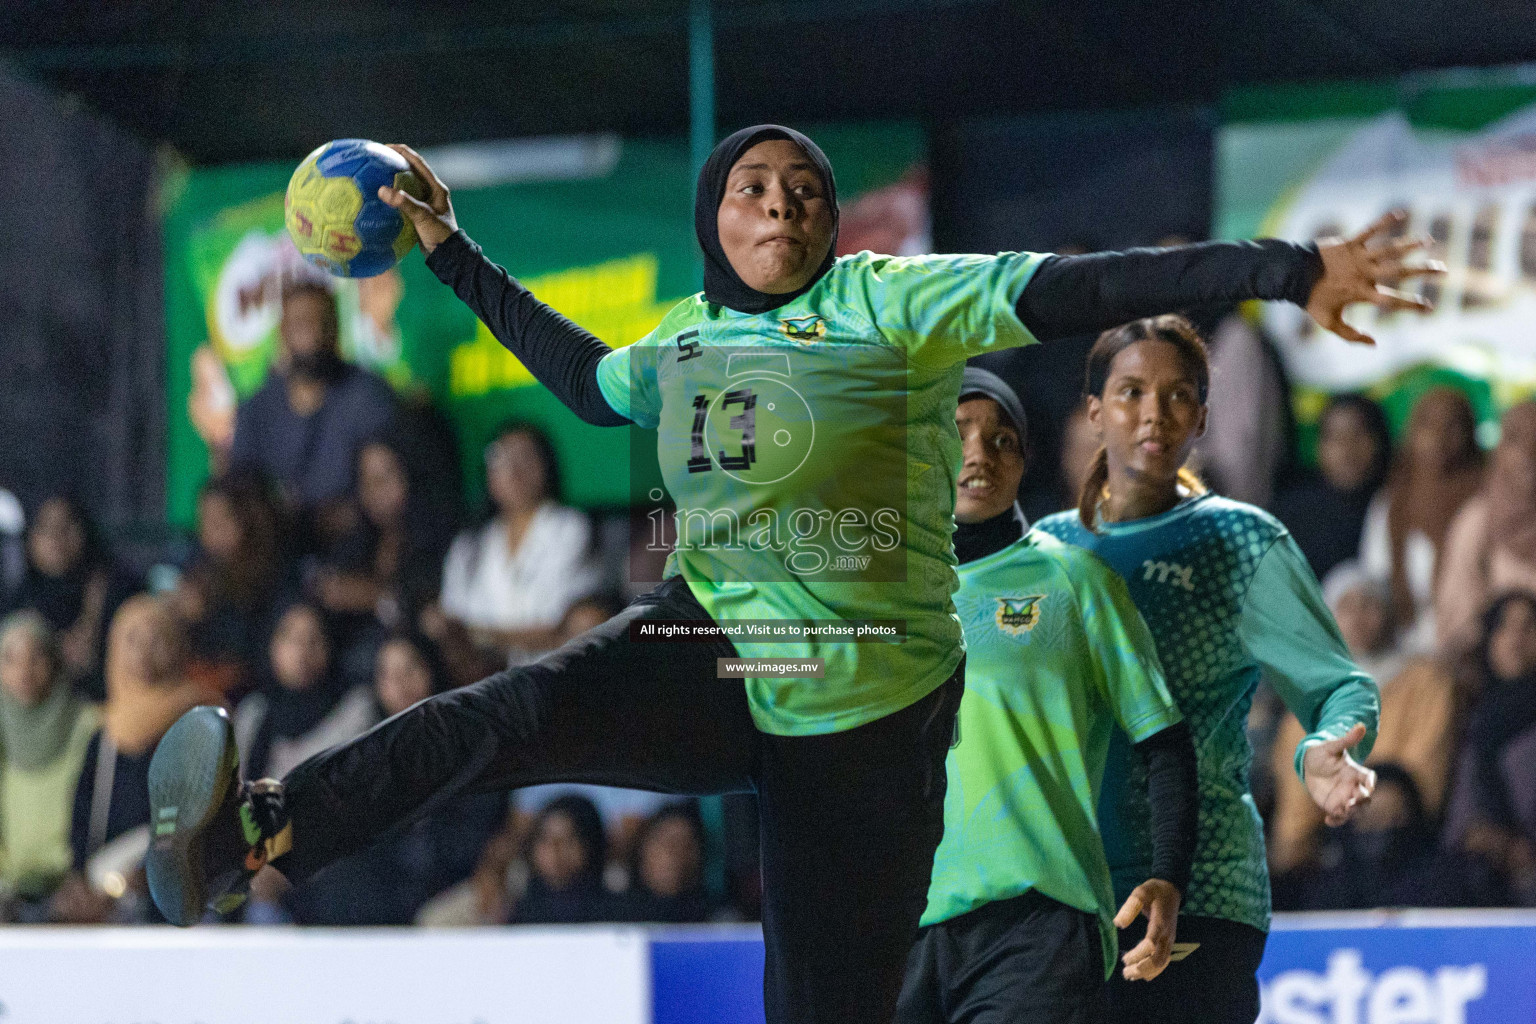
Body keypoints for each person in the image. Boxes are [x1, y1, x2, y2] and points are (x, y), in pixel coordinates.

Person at [147, 126, 1436, 1024]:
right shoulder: (685, 340)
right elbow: (579, 377)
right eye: (754, 190)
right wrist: (447, 250)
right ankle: (261, 830)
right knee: (497, 717)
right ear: (714, 217)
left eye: (807, 191)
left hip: (866, 723)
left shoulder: (896, 302)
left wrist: (1287, 270)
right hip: (712, 648)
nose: (782, 206)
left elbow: (1092, 283)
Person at [1036, 316, 1381, 1024]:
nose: (1153, 413)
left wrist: (1326, 749)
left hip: (1200, 892)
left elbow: (1337, 685)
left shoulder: (1240, 539)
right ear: (1094, 413)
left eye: (1177, 395)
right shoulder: (1044, 551)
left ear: (1201, 417)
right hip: (1062, 894)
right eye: (1131, 392)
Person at [898, 368, 1196, 1024]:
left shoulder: (1074, 579)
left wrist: (1169, 873)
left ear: (1023, 461)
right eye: (957, 435)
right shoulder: (873, 593)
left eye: (1001, 439)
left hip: (1038, 923)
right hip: (891, 926)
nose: (979, 453)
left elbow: (1165, 740)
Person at [1267, 562, 1458, 876]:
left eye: (1369, 605)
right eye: (1346, 607)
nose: (1358, 618)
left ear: (1389, 615)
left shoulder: (1427, 682)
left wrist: (1374, 802)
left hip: (1405, 840)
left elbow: (1423, 772)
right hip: (1331, 850)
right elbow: (1297, 803)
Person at [66, 597, 210, 922]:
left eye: (157, 638)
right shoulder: (104, 732)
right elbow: (82, 813)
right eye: (132, 639)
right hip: (107, 892)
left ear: (177, 644)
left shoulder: (200, 720)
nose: (144, 650)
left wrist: (152, 873)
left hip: (179, 895)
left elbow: (207, 810)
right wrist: (79, 880)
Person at [227, 278, 396, 537]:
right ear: (283, 331)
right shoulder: (257, 409)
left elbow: (389, 487)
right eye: (302, 322)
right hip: (277, 547)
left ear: (336, 328)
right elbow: (239, 491)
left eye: (322, 322)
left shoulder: (367, 395)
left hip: (356, 541)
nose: (313, 333)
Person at [433, 422, 602, 664]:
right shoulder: (469, 544)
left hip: (553, 671)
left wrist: (479, 634)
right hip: (481, 680)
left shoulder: (569, 527)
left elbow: (557, 627)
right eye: (501, 459)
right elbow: (451, 625)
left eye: (524, 458)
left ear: (545, 465)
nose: (513, 470)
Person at [1360, 386, 1482, 653]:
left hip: (1469, 653)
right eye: (1427, 425)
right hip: (1400, 653)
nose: (1438, 438)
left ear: (1470, 433)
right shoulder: (1392, 504)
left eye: (1452, 426)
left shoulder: (1484, 507)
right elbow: (1375, 582)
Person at [0, 611, 100, 905]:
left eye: (35, 658)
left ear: (55, 661)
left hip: (77, 892)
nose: (24, 671)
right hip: (8, 895)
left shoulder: (89, 724)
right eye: (10, 659)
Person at [2, 495, 135, 699]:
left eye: (66, 526)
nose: (56, 538)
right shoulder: (18, 602)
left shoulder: (115, 589)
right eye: (46, 527)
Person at [232, 601, 375, 783]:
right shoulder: (253, 712)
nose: (301, 651)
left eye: (313, 639)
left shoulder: (354, 709)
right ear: (272, 645)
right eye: (290, 637)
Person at [171, 474, 286, 698]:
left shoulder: (275, 577)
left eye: (220, 522)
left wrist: (206, 617)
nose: (210, 533)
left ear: (248, 521)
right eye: (204, 523)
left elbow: (254, 656)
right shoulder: (199, 570)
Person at [1437, 400, 1536, 653]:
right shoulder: (1479, 519)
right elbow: (1458, 620)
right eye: (1516, 440)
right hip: (1494, 677)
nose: (1529, 452)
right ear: (1500, 451)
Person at [1270, 395, 1392, 581]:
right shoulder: (1290, 515)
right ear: (1319, 447)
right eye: (1334, 437)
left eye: (1357, 434)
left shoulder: (1395, 506)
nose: (1346, 449)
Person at [511, 794, 621, 924]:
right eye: (545, 838)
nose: (554, 849)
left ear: (591, 845)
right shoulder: (518, 913)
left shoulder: (619, 913)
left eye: (568, 840)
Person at [617, 801, 713, 923]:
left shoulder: (720, 922)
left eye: (687, 845)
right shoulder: (608, 916)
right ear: (643, 848)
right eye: (669, 843)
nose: (676, 854)